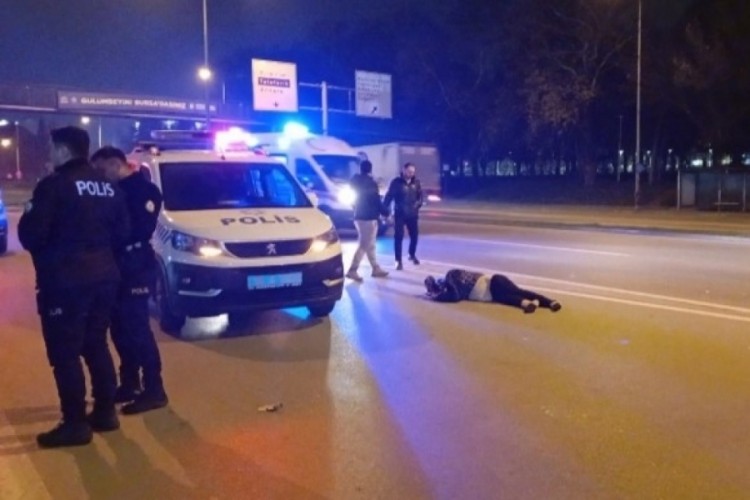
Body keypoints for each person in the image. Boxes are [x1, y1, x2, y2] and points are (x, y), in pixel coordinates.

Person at [18, 126, 130, 448]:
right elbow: (123, 233)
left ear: (64, 151)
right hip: (104, 277)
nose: (49, 154)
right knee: (96, 344)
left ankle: (75, 423)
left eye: (52, 149)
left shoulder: (54, 186)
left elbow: (31, 236)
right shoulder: (108, 187)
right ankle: (105, 412)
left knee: (65, 354)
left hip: (65, 283)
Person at [91, 146, 168, 415]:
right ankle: (129, 382)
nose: (100, 176)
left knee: (137, 328)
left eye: (102, 169)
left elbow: (138, 229)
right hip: (115, 267)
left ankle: (154, 389)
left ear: (116, 164)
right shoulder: (111, 191)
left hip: (136, 266)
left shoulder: (144, 191)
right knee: (119, 328)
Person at [424, 268, 562, 314]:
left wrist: (435, 295)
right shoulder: (455, 290)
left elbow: (453, 295)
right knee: (511, 295)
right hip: (494, 292)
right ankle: (545, 303)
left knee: (512, 294)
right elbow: (452, 296)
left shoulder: (452, 276)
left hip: (494, 282)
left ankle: (538, 302)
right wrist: (435, 295)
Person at [345, 160, 389, 281]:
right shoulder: (370, 183)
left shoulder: (354, 182)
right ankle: (352, 270)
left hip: (359, 216)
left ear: (360, 169)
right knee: (364, 245)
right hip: (368, 218)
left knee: (370, 244)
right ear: (370, 169)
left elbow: (353, 200)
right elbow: (376, 201)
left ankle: (375, 268)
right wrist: (386, 212)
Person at [383, 162, 423, 270]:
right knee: (398, 237)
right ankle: (398, 260)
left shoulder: (416, 183)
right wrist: (384, 210)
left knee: (414, 236)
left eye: (413, 172)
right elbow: (389, 197)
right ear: (404, 170)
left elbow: (420, 197)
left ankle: (411, 254)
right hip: (400, 214)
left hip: (413, 214)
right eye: (409, 171)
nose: (411, 174)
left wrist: (418, 205)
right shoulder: (396, 182)